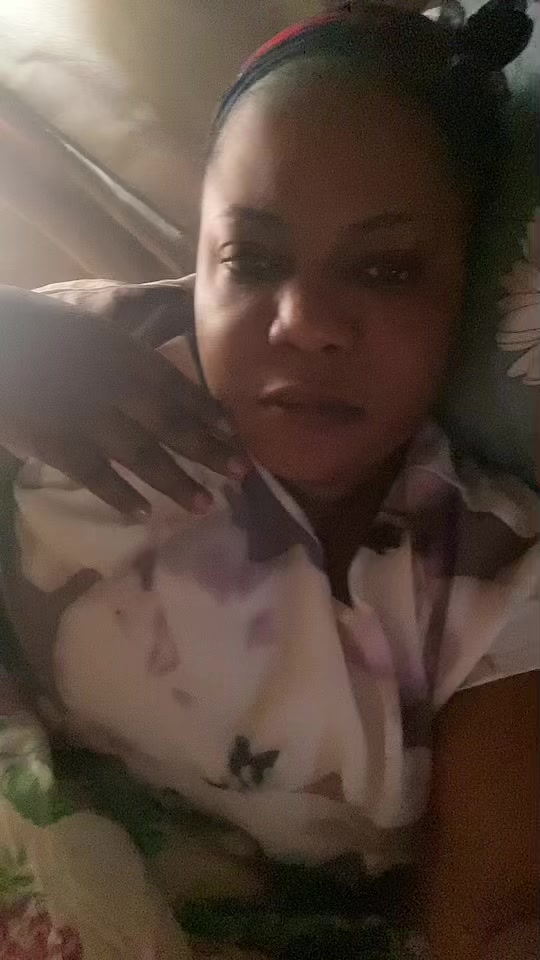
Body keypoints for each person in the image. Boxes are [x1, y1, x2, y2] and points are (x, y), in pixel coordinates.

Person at [0, 2, 537, 958]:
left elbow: (484, 925)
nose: (304, 323)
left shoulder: (497, 593)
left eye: (385, 269)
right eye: (250, 258)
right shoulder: (93, 365)